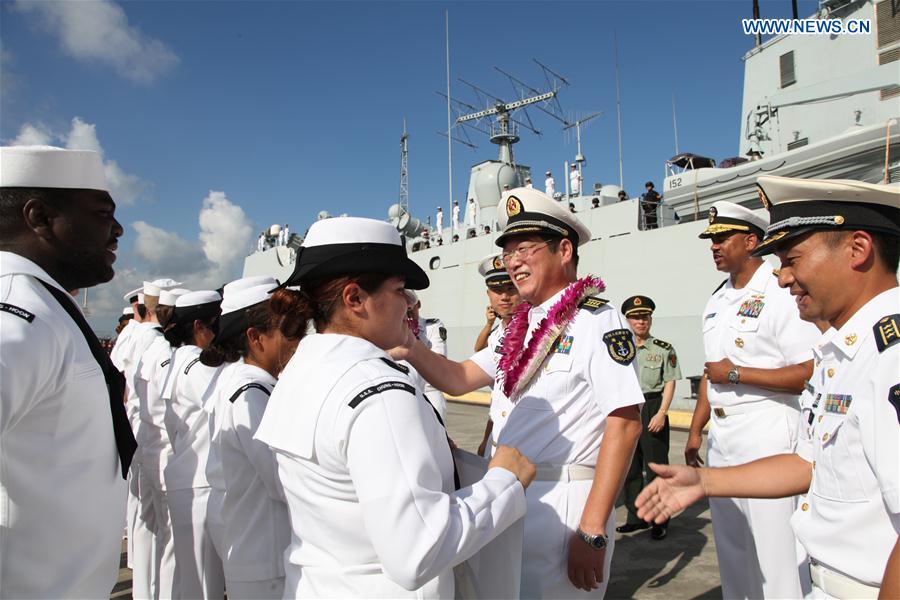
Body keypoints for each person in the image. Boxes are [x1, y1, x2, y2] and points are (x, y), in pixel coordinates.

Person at [638, 175, 900, 599]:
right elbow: (808, 465)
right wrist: (704, 481)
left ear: (858, 249)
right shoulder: (844, 351)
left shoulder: (891, 354)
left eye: (792, 259)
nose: (783, 278)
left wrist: (737, 375)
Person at [254, 216, 534, 598]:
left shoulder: (299, 371)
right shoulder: (378, 389)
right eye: (400, 290)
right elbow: (418, 551)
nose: (408, 303)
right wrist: (504, 481)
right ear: (355, 299)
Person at [395, 187, 644, 597]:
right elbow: (459, 377)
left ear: (564, 250)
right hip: (507, 498)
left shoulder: (598, 321)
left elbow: (625, 423)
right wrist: (409, 346)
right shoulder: (517, 327)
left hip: (564, 506)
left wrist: (593, 529)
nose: (513, 261)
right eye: (508, 251)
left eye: (524, 248)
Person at [0, 145, 137, 597]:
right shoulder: (17, 312)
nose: (117, 231)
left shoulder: (44, 305)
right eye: (102, 214)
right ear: (39, 217)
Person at [686, 200, 822, 598]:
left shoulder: (780, 293)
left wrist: (738, 374)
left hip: (768, 429)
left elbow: (808, 371)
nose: (714, 246)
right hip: (723, 436)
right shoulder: (717, 300)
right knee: (732, 547)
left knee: (776, 550)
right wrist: (696, 430)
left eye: (722, 237)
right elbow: (712, 375)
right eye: (711, 239)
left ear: (750, 241)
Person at [201, 278, 302, 599]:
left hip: (256, 547)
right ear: (255, 337)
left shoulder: (243, 381)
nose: (298, 341)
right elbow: (282, 479)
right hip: (266, 556)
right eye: (289, 331)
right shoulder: (252, 393)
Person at [160, 290, 226, 599]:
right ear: (200, 326)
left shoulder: (178, 359)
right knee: (202, 586)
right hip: (200, 486)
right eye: (219, 323)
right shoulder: (197, 365)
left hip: (187, 479)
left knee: (191, 583)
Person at [616, 296, 681, 540]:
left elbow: (670, 380)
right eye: (635, 317)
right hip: (628, 407)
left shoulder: (663, 349)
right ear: (628, 320)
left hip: (653, 406)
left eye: (645, 317)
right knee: (630, 468)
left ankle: (660, 519)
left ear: (650, 319)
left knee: (655, 468)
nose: (640, 321)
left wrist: (662, 413)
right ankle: (635, 517)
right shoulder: (620, 349)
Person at [473, 254, 521, 457]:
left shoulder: (538, 329)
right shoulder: (497, 335)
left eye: (510, 288)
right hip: (497, 439)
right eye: (497, 290)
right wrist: (487, 438)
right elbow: (498, 399)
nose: (504, 297)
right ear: (488, 294)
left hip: (522, 445)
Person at [405, 289, 450, 419]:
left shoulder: (433, 326)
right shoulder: (393, 329)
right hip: (407, 388)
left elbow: (440, 360)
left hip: (429, 390)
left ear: (418, 304)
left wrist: (414, 338)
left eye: (411, 306)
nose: (408, 311)